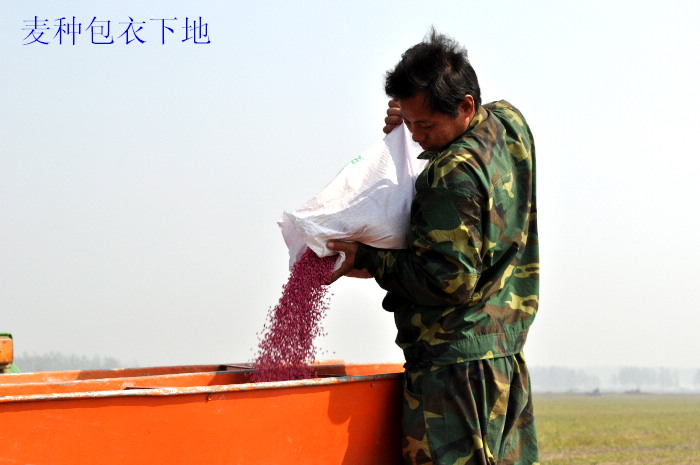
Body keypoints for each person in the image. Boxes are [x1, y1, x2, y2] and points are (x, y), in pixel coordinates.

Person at [327, 29, 539, 465]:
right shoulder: (510, 124)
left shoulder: (450, 175)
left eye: (425, 125)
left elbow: (447, 281)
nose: (417, 136)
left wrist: (365, 257)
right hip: (503, 357)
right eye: (409, 123)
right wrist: (412, 120)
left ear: (465, 107)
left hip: (452, 372)